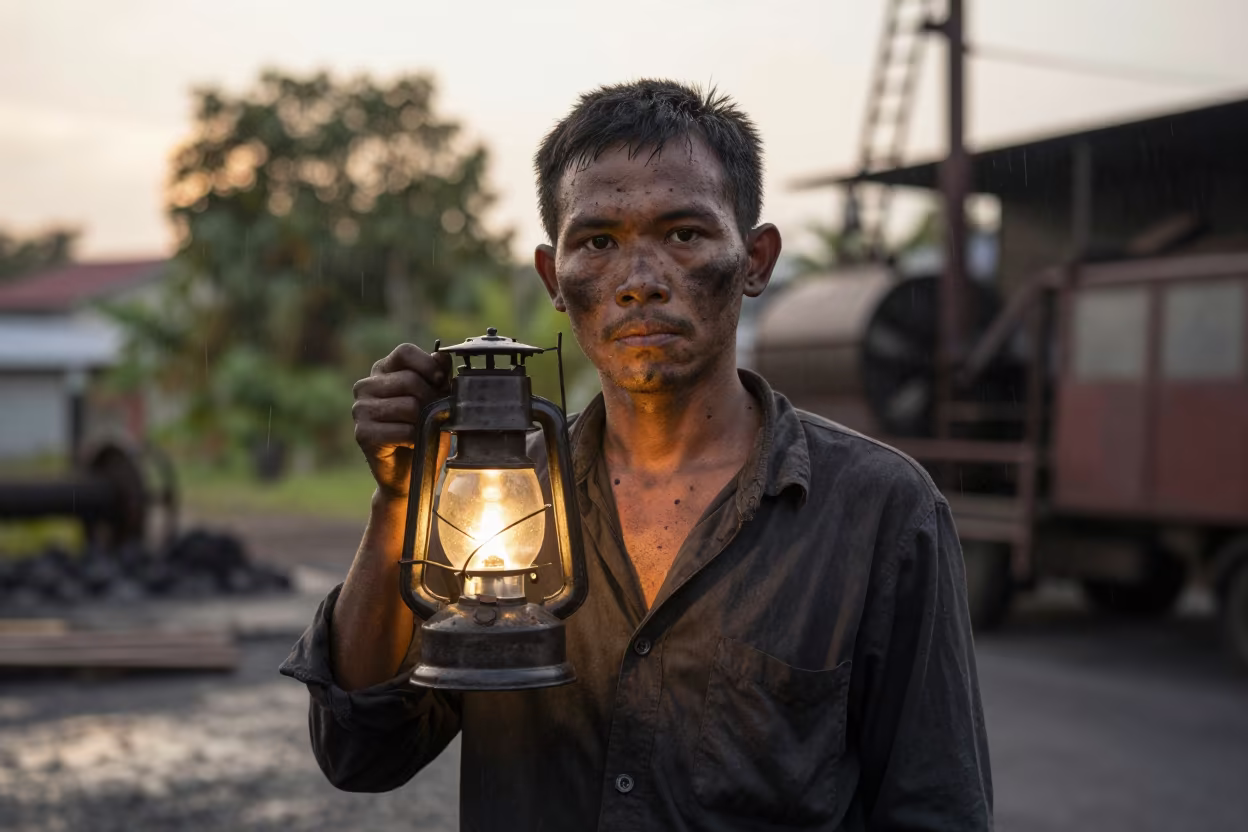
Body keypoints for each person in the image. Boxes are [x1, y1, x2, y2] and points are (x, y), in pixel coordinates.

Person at [281, 79, 993, 831]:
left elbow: (935, 810)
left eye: (683, 234)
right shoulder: (496, 502)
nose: (640, 284)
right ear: (554, 278)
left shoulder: (878, 511)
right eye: (598, 243)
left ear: (755, 260)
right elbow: (362, 754)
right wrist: (399, 497)